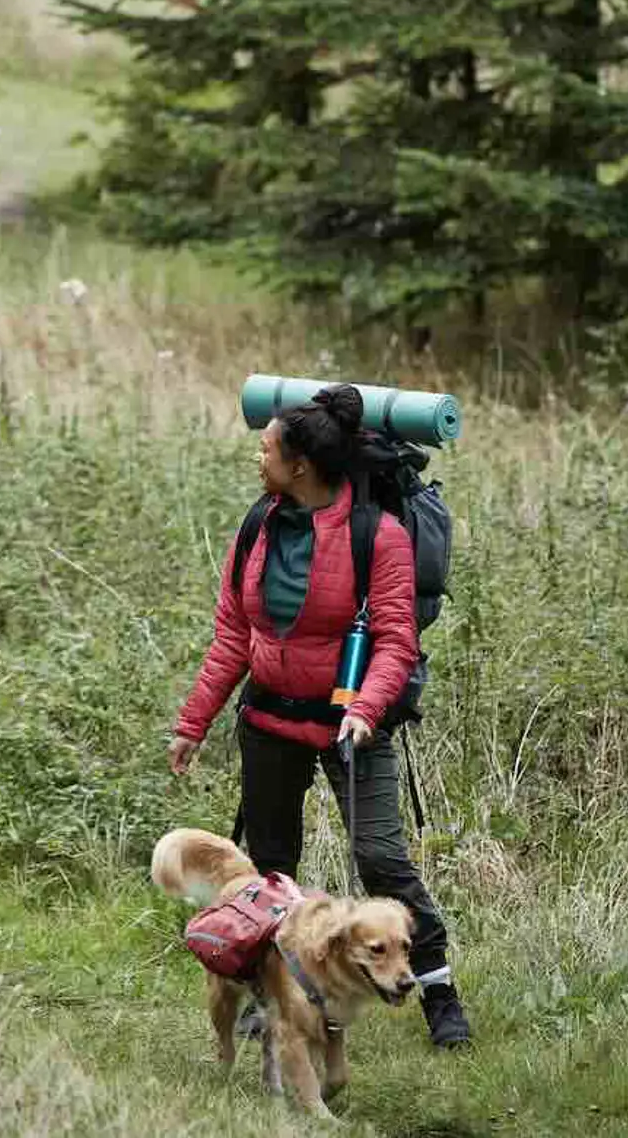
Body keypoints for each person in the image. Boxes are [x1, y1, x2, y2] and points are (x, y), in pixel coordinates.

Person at [167, 384, 472, 1048]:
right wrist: (194, 722)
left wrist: (366, 707)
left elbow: (396, 641)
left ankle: (439, 991)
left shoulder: (378, 537)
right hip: (269, 722)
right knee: (272, 870)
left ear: (300, 463)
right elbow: (231, 635)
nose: (259, 454)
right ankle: (272, 1002)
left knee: (382, 861)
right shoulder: (258, 524)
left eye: (268, 446)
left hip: (351, 726)